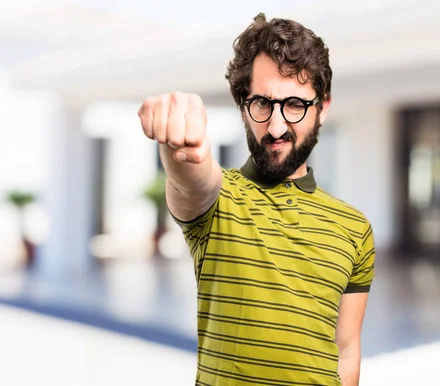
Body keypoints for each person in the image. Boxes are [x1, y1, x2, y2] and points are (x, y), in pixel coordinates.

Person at [137, 13, 375, 386]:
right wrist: (181, 147)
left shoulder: (354, 228)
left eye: (295, 104)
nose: (276, 127)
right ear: (242, 105)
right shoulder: (218, 202)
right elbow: (192, 181)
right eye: (262, 103)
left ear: (323, 108)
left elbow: (346, 349)